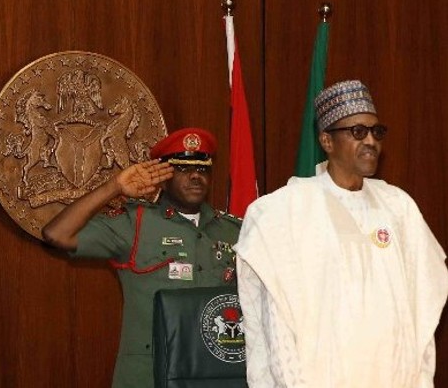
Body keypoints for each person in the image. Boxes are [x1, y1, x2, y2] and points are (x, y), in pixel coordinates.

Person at [235, 80, 448, 387]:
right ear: (327, 141)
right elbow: (277, 330)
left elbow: (422, 312)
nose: (371, 141)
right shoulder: (284, 213)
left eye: (377, 132)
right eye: (357, 132)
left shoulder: (398, 207)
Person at [42, 127, 243, 388]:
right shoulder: (135, 222)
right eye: (182, 169)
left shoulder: (233, 230)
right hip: (149, 375)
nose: (195, 176)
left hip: (214, 372)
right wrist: (114, 187)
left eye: (203, 169)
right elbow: (57, 234)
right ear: (163, 178)